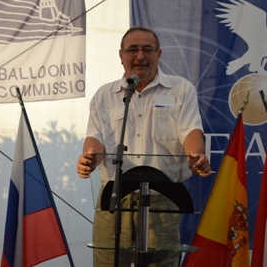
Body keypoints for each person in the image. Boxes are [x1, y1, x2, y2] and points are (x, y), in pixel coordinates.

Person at [76, 26, 212, 267]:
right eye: (133, 50)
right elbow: (95, 137)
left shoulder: (180, 89)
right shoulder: (105, 95)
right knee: (108, 262)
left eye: (147, 49)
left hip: (162, 197)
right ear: (121, 55)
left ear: (158, 54)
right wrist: (90, 158)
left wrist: (196, 155)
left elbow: (191, 131)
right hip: (115, 198)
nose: (140, 56)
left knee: (161, 263)